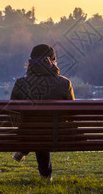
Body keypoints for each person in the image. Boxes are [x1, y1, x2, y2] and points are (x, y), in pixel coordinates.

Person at [10, 44, 75, 180]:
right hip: (58, 136)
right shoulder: (64, 83)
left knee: (35, 128)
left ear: (30, 63)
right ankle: (45, 175)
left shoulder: (21, 84)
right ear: (52, 62)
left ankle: (25, 150)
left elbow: (13, 113)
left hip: (27, 135)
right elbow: (72, 114)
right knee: (44, 129)